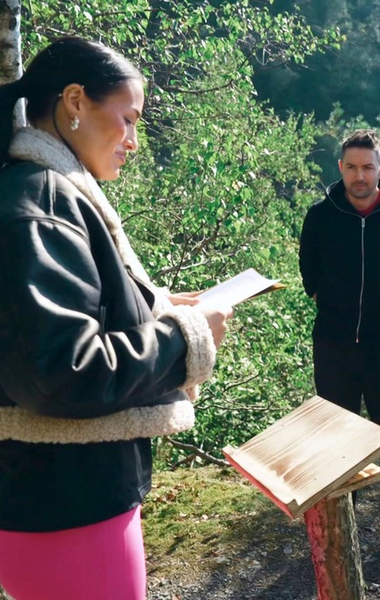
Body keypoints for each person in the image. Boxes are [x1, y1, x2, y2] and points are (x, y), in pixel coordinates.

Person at [0, 37, 232, 600]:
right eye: (127, 119)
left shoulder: (40, 191)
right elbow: (62, 369)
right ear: (75, 101)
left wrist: (152, 305)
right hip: (68, 501)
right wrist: (187, 339)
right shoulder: (43, 202)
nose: (133, 140)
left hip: (53, 492)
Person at [298, 129, 380, 564]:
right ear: (341, 169)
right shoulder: (321, 215)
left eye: (368, 167)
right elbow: (309, 274)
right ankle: (338, 529)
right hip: (333, 348)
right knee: (335, 437)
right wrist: (337, 313)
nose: (359, 175)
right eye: (351, 167)